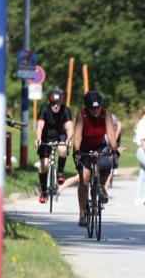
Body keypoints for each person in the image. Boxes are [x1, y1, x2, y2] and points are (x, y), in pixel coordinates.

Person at [60, 90, 118, 227]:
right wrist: (77, 151)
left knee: (106, 164)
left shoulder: (106, 114)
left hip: (99, 146)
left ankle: (102, 186)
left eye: (98, 107)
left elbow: (111, 133)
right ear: (87, 107)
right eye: (93, 108)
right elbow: (78, 136)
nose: (96, 111)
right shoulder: (82, 115)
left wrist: (114, 149)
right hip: (84, 148)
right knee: (84, 178)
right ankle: (82, 214)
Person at [34, 88, 73, 204]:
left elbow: (69, 127)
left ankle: (60, 173)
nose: (56, 106)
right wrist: (39, 138)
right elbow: (40, 126)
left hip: (60, 135)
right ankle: (44, 192)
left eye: (58, 103)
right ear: (50, 103)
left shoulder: (66, 110)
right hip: (46, 136)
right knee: (43, 165)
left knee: (62, 150)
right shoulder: (44, 109)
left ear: (61, 102)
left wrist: (68, 139)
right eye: (53, 104)